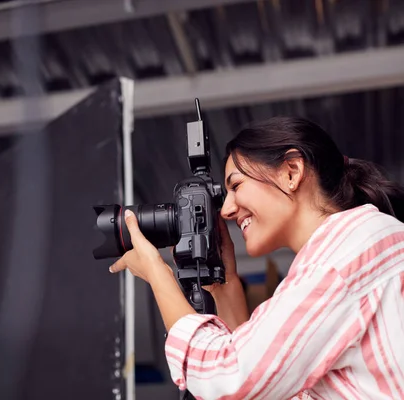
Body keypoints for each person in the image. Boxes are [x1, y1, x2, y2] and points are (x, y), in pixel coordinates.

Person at [109, 117, 404, 399]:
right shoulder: (355, 243)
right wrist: (226, 287)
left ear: (291, 171)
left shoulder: (343, 256)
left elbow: (225, 378)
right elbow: (263, 388)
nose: (225, 211)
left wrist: (157, 274)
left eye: (236, 186)